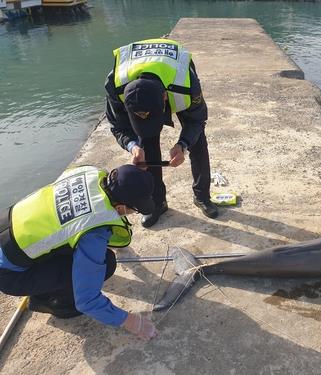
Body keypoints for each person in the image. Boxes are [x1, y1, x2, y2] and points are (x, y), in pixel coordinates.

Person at [0, 164, 158, 340]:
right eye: (133, 209)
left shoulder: (92, 173)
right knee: (106, 263)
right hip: (8, 276)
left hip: (7, 230)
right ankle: (49, 299)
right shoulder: (94, 233)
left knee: (83, 252)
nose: (131, 213)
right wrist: (133, 323)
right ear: (121, 207)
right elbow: (87, 301)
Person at [105, 37, 218, 228]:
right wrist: (132, 146)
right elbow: (118, 126)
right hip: (143, 73)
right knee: (146, 145)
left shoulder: (186, 83)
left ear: (166, 98)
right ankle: (158, 202)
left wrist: (183, 145)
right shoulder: (115, 86)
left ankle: (202, 196)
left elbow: (197, 120)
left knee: (197, 141)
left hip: (173, 77)